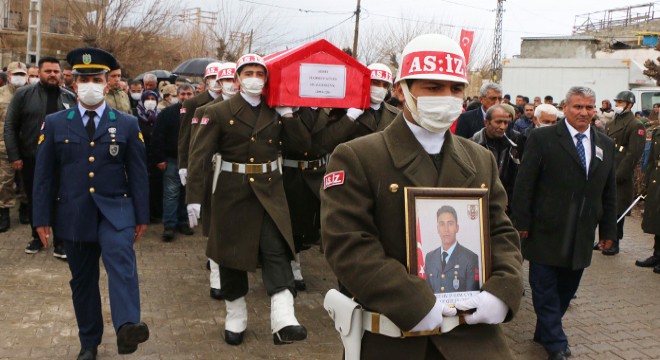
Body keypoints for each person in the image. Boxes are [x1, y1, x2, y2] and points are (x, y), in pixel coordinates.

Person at [322, 34, 523, 360]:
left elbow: (500, 231)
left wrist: (503, 290)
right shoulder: (359, 156)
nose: (447, 97)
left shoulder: (479, 159)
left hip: (474, 339)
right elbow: (348, 244)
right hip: (395, 338)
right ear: (401, 90)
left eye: (455, 88)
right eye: (433, 87)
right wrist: (411, 301)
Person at [32, 47, 150, 360]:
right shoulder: (56, 123)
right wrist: (40, 219)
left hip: (116, 212)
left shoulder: (126, 123)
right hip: (74, 214)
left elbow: (138, 173)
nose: (90, 84)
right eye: (83, 79)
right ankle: (89, 342)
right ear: (72, 82)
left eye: (96, 78)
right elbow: (43, 176)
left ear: (107, 82)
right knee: (82, 281)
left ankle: (127, 327)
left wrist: (142, 216)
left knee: (121, 265)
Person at [186, 54, 311, 346]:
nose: (254, 78)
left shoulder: (275, 110)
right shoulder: (218, 111)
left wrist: (288, 115)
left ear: (266, 79)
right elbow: (199, 155)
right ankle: (235, 314)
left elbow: (303, 147)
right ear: (238, 77)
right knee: (230, 256)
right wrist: (194, 197)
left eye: (259, 73)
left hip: (269, 190)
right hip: (232, 191)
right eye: (248, 72)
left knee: (276, 249)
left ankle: (283, 319)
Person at [512, 86, 616, 360]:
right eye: (578, 106)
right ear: (565, 108)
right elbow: (524, 183)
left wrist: (608, 232)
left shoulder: (604, 144)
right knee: (544, 287)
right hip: (545, 229)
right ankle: (556, 342)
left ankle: (544, 330)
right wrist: (520, 222)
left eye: (589, 107)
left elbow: (609, 192)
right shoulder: (542, 138)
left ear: (595, 110)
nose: (584, 112)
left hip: (581, 233)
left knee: (566, 290)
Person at [4, 56, 77, 258]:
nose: (52, 75)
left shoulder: (69, 97)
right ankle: (37, 237)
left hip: (63, 160)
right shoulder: (24, 95)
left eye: (56, 71)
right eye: (48, 71)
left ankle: (60, 241)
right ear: (39, 73)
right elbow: (10, 126)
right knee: (36, 198)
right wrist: (14, 155)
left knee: (62, 198)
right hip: (32, 157)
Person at [185, 62, 238, 300]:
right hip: (214, 173)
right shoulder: (205, 110)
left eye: (231, 80)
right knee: (216, 226)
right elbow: (197, 149)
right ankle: (216, 274)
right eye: (224, 81)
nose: (229, 85)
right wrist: (190, 175)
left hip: (238, 176)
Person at [151, 84, 195, 241]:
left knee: (186, 193)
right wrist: (160, 158)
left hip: (192, 160)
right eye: (183, 94)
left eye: (189, 94)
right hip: (172, 160)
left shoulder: (199, 113)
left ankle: (183, 222)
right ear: (177, 95)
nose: (186, 97)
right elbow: (157, 136)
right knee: (171, 193)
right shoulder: (168, 113)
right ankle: (169, 225)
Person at [603, 91, 645, 255]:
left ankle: (614, 242)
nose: (617, 105)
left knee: (617, 210)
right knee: (606, 209)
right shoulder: (612, 123)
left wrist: (619, 174)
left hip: (620, 173)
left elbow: (633, 154)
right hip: (607, 170)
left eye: (621, 102)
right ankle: (604, 239)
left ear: (630, 104)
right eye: (617, 102)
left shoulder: (635, 125)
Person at [176, 62, 223, 190]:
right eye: (212, 77)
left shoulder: (229, 101)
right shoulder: (192, 103)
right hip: (200, 158)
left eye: (219, 77)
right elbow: (185, 135)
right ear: (206, 80)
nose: (216, 81)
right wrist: (183, 164)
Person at [470, 105, 520, 212]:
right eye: (498, 122)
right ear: (486, 122)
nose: (502, 127)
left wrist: (507, 200)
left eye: (506, 123)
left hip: (502, 206)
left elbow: (514, 179)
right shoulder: (471, 145)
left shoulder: (511, 147)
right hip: (475, 203)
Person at [424, 206, 480, 294]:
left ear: (457, 228)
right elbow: (427, 294)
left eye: (450, 224)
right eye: (442, 224)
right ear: (437, 228)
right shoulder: (430, 257)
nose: (446, 229)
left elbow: (471, 296)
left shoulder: (470, 258)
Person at [0, 62, 29, 232]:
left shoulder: (31, 94)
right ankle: (4, 212)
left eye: (22, 74)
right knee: (4, 182)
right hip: (3, 147)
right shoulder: (1, 95)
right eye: (16, 74)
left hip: (25, 146)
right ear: (8, 76)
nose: (19, 77)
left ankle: (24, 209)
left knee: (26, 181)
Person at [135, 90, 162, 222]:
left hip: (155, 159)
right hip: (141, 157)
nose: (150, 101)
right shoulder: (136, 117)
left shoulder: (160, 116)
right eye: (148, 98)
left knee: (156, 187)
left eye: (153, 98)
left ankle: (155, 213)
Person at [637, 126, 660, 273]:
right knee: (657, 219)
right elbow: (652, 159)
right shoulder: (658, 131)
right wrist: (646, 182)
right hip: (657, 178)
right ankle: (657, 255)